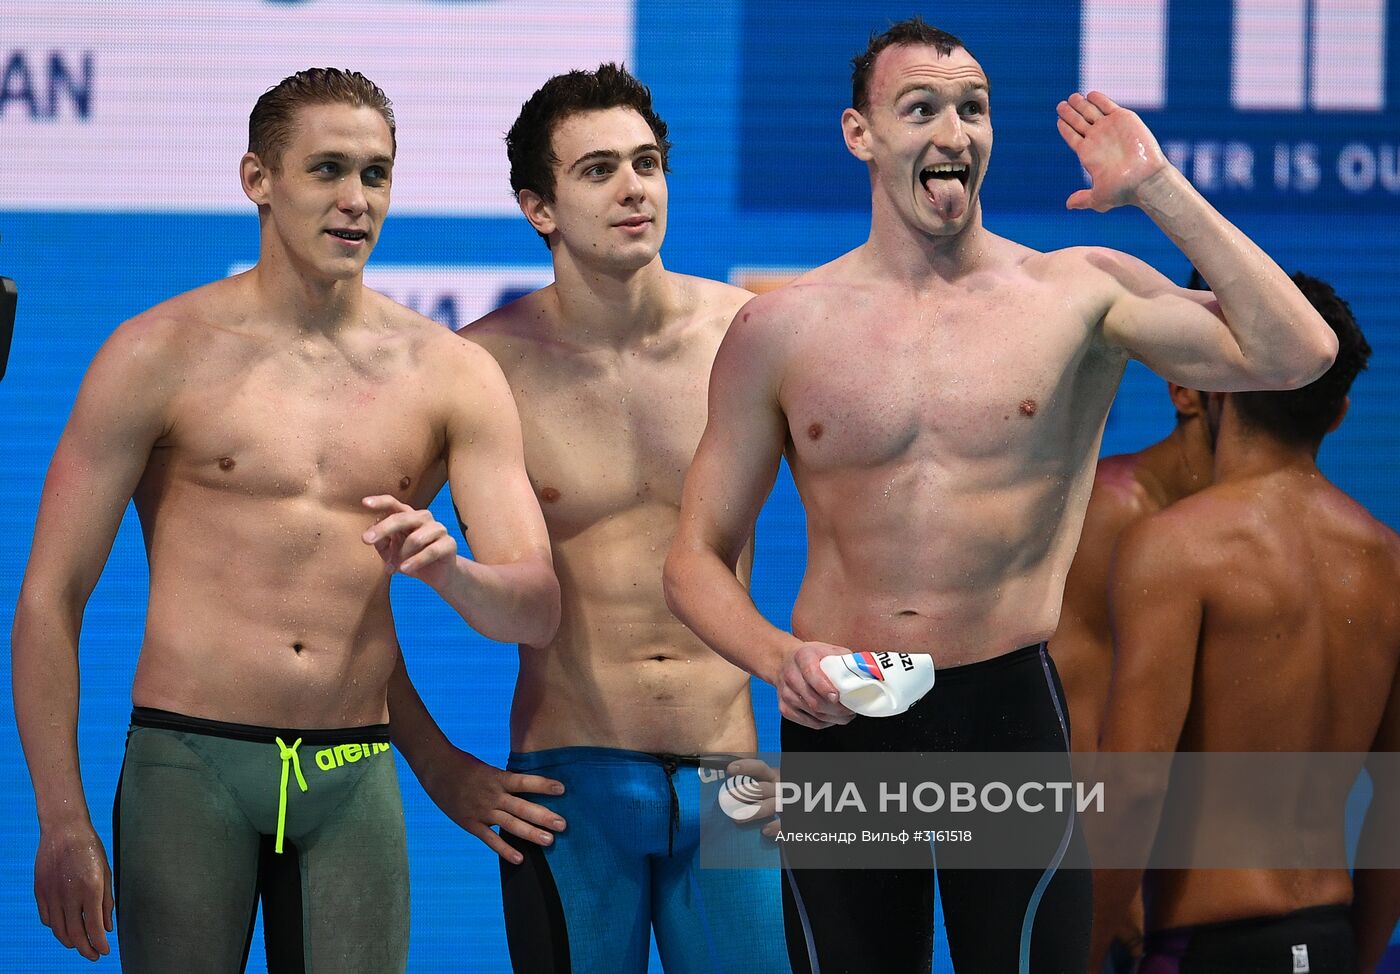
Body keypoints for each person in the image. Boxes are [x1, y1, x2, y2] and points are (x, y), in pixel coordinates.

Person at [662, 17, 1337, 974]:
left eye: (973, 109)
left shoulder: (1078, 294)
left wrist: (1157, 188)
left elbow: (1296, 352)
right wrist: (782, 661)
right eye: (922, 108)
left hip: (1007, 711)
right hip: (846, 720)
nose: (954, 133)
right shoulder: (779, 328)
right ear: (861, 135)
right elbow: (691, 560)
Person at [11, 68, 558, 973]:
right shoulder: (155, 354)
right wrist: (61, 817)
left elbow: (533, 609)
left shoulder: (447, 372)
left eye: (376, 175)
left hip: (354, 777)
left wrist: (454, 575)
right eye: (328, 171)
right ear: (257, 180)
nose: (356, 201)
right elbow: (48, 600)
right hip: (189, 767)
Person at [388, 65, 792, 973]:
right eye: (599, 169)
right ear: (540, 207)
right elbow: (335, 580)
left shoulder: (754, 335)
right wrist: (437, 763)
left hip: (737, 779)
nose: (633, 188)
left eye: (647, 163)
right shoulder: (480, 368)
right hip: (570, 787)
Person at [1090, 274, 1400, 973]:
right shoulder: (1389, 563)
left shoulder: (1175, 548)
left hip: (1209, 946)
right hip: (1328, 935)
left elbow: (1132, 789)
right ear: (1339, 413)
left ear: (1218, 384)